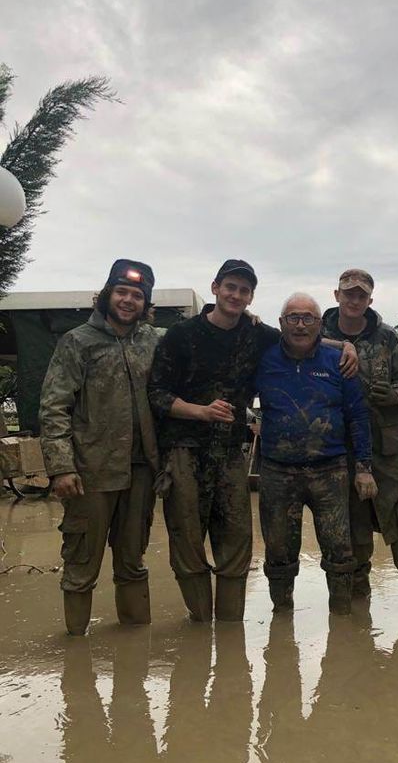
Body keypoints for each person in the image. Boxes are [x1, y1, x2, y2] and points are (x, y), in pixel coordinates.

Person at [148, 262, 357, 623]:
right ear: (215, 288)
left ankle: (230, 636)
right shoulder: (181, 336)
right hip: (184, 451)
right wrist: (199, 412)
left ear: (251, 297)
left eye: (244, 290)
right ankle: (200, 628)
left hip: (231, 454)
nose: (236, 295)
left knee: (236, 545)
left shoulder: (257, 335)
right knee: (187, 543)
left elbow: (302, 338)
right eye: (230, 287)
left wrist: (346, 345)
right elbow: (156, 393)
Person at [39, 259, 160, 635]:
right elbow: (54, 406)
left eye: (137, 296)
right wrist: (61, 467)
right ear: (107, 294)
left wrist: (250, 319)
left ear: (145, 303)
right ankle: (76, 657)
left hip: (140, 472)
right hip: (89, 474)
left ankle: (134, 656)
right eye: (121, 292)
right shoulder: (77, 341)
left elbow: (204, 335)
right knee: (81, 563)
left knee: (133, 562)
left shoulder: (154, 340)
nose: (128, 300)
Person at [256, 293, 376, 615]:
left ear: (320, 325)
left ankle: (342, 622)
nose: (300, 324)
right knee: (279, 553)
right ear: (281, 323)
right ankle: (281, 622)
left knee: (340, 551)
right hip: (277, 472)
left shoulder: (338, 360)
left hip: (330, 470)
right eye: (292, 317)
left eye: (308, 318)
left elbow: (358, 416)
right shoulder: (263, 359)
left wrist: (363, 467)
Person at [321, 268, 398, 606]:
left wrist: (396, 396)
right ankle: (357, 616)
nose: (354, 299)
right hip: (341, 448)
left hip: (390, 446)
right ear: (336, 295)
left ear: (370, 299)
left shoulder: (388, 338)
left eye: (361, 295)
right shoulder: (317, 333)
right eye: (348, 293)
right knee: (351, 529)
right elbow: (289, 342)